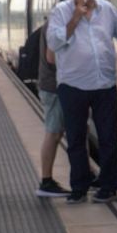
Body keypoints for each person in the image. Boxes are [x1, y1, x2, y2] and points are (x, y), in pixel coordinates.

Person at [48, 0, 117, 203]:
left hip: (104, 84)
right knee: (76, 138)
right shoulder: (61, 11)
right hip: (72, 85)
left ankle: (109, 186)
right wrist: (75, 19)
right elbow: (53, 43)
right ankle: (79, 187)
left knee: (108, 138)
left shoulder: (107, 10)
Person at [32, 17, 69, 197]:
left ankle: (87, 174)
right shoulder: (58, 21)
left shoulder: (56, 19)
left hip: (55, 86)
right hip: (54, 86)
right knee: (53, 133)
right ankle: (46, 182)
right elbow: (52, 57)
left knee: (63, 132)